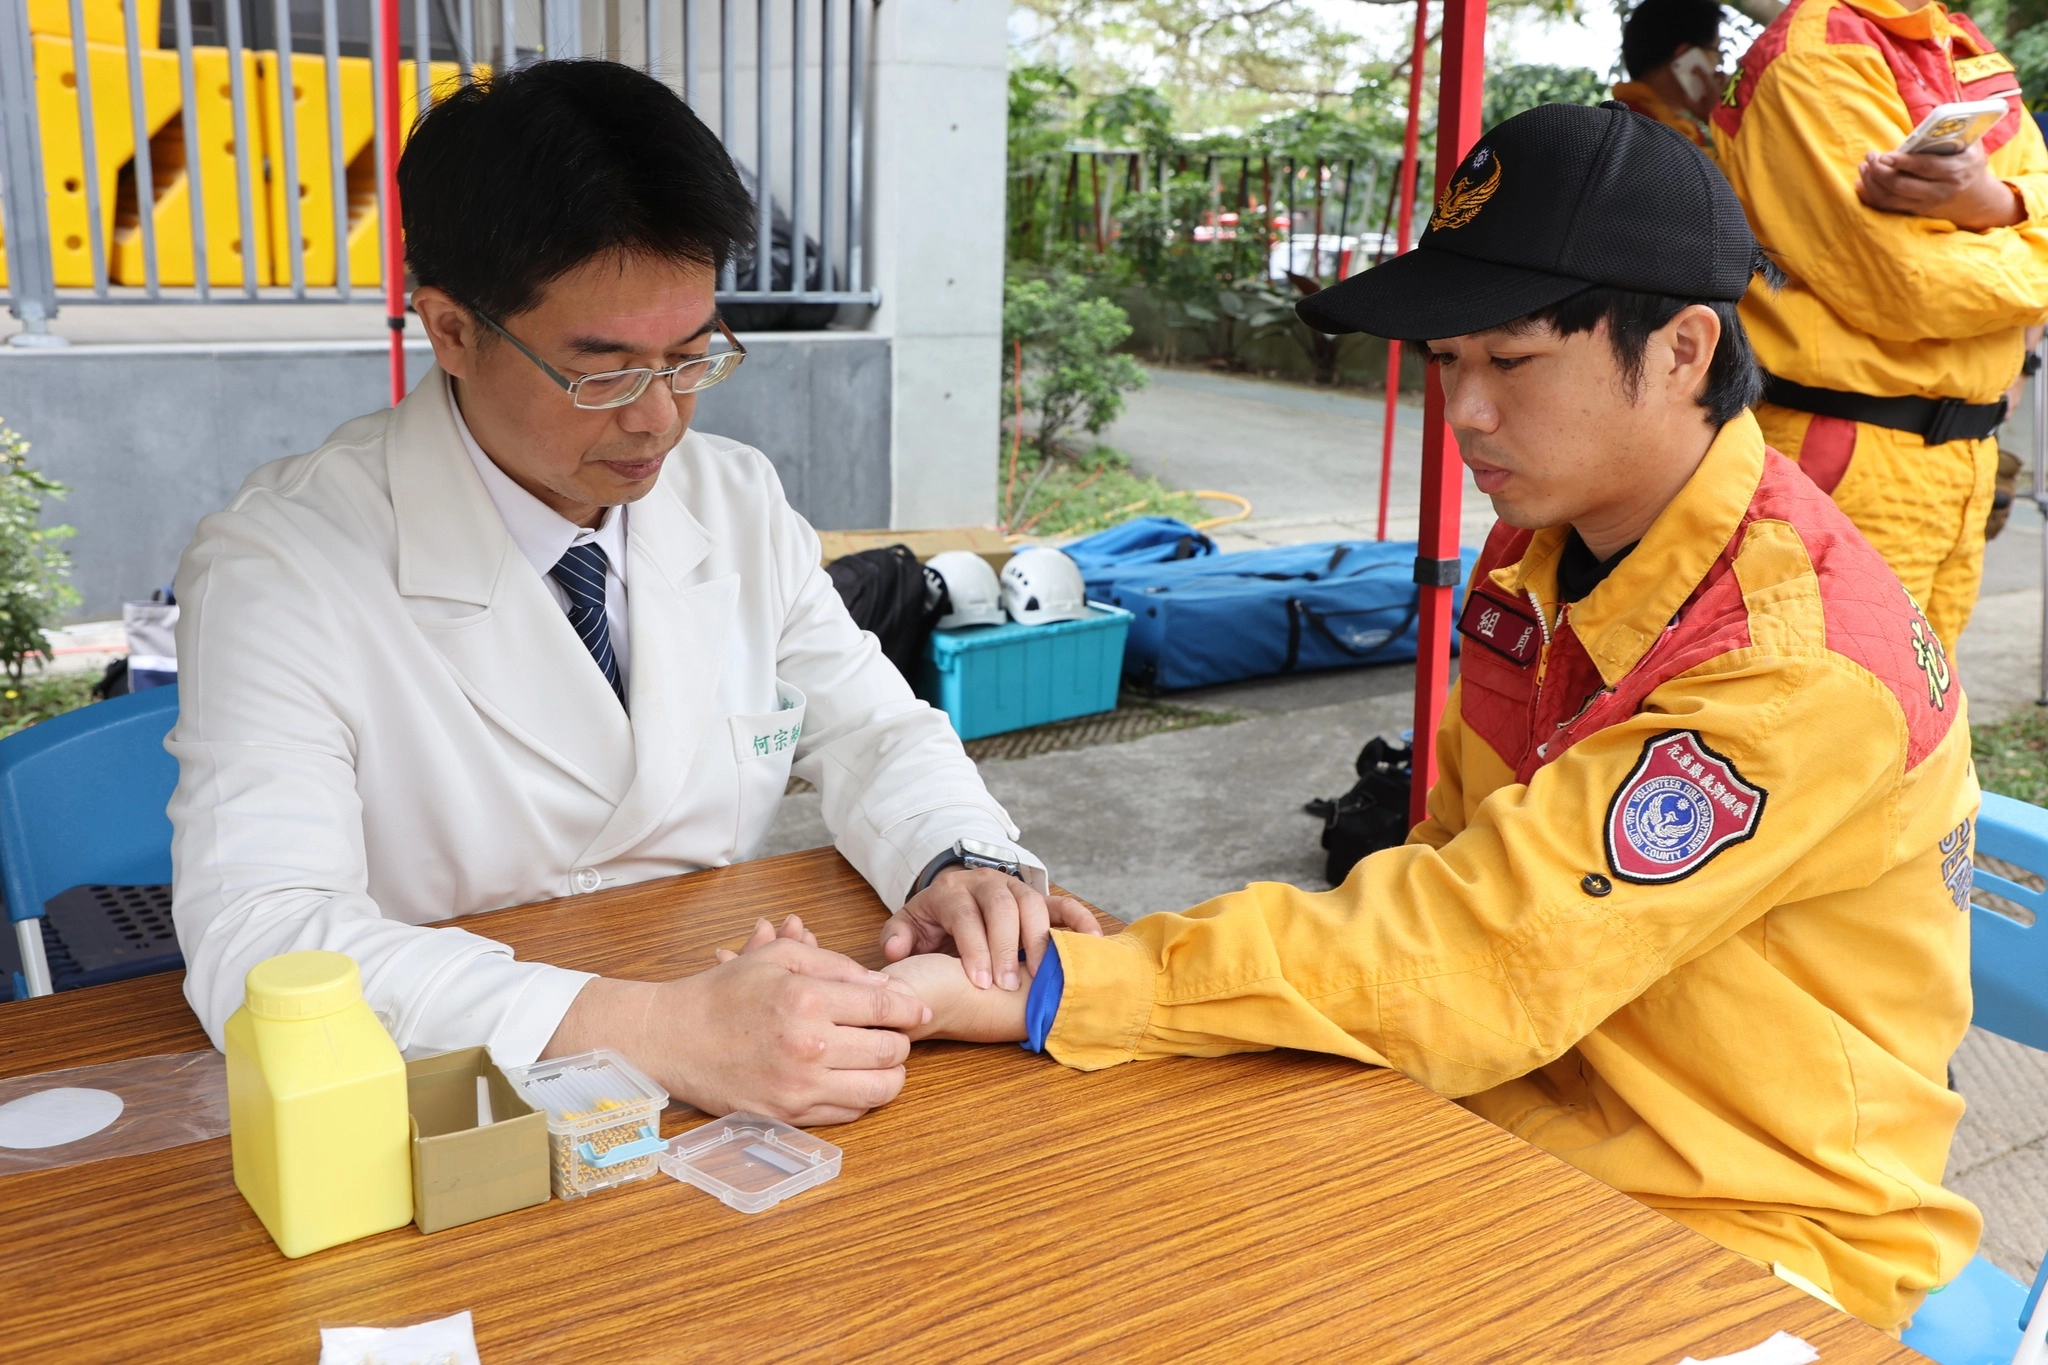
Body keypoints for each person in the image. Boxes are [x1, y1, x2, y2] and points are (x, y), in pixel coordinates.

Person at [881, 103, 1982, 1333]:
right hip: (1513, 1115)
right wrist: (1118, 982)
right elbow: (1444, 876)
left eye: (1508, 363)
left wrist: (1070, 987)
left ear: (1680, 350)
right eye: (1446, 363)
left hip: (1746, 1216)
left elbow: (1482, 956)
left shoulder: (1788, 666)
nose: (1462, 414)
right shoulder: (1539, 550)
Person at [168, 60, 1098, 1128]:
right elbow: (261, 941)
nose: (659, 419)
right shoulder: (284, 563)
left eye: (692, 355)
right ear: (453, 329)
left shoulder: (732, 499)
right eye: (601, 371)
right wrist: (656, 1034)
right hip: (447, 1094)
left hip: (739, 1044)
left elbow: (870, 729)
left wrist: (956, 856)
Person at [1713, 0, 2048, 653]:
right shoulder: (1816, 55)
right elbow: (1913, 285)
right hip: (1852, 453)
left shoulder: (1957, 41)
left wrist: (1993, 203)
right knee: (1828, 717)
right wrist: (2014, 220)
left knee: (1923, 721)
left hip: (1958, 462)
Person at [1611, 0, 1724, 147]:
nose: (1717, 66)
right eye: (1715, 51)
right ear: (1686, 56)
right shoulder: (1664, 138)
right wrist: (1722, 120)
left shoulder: (1618, 118)